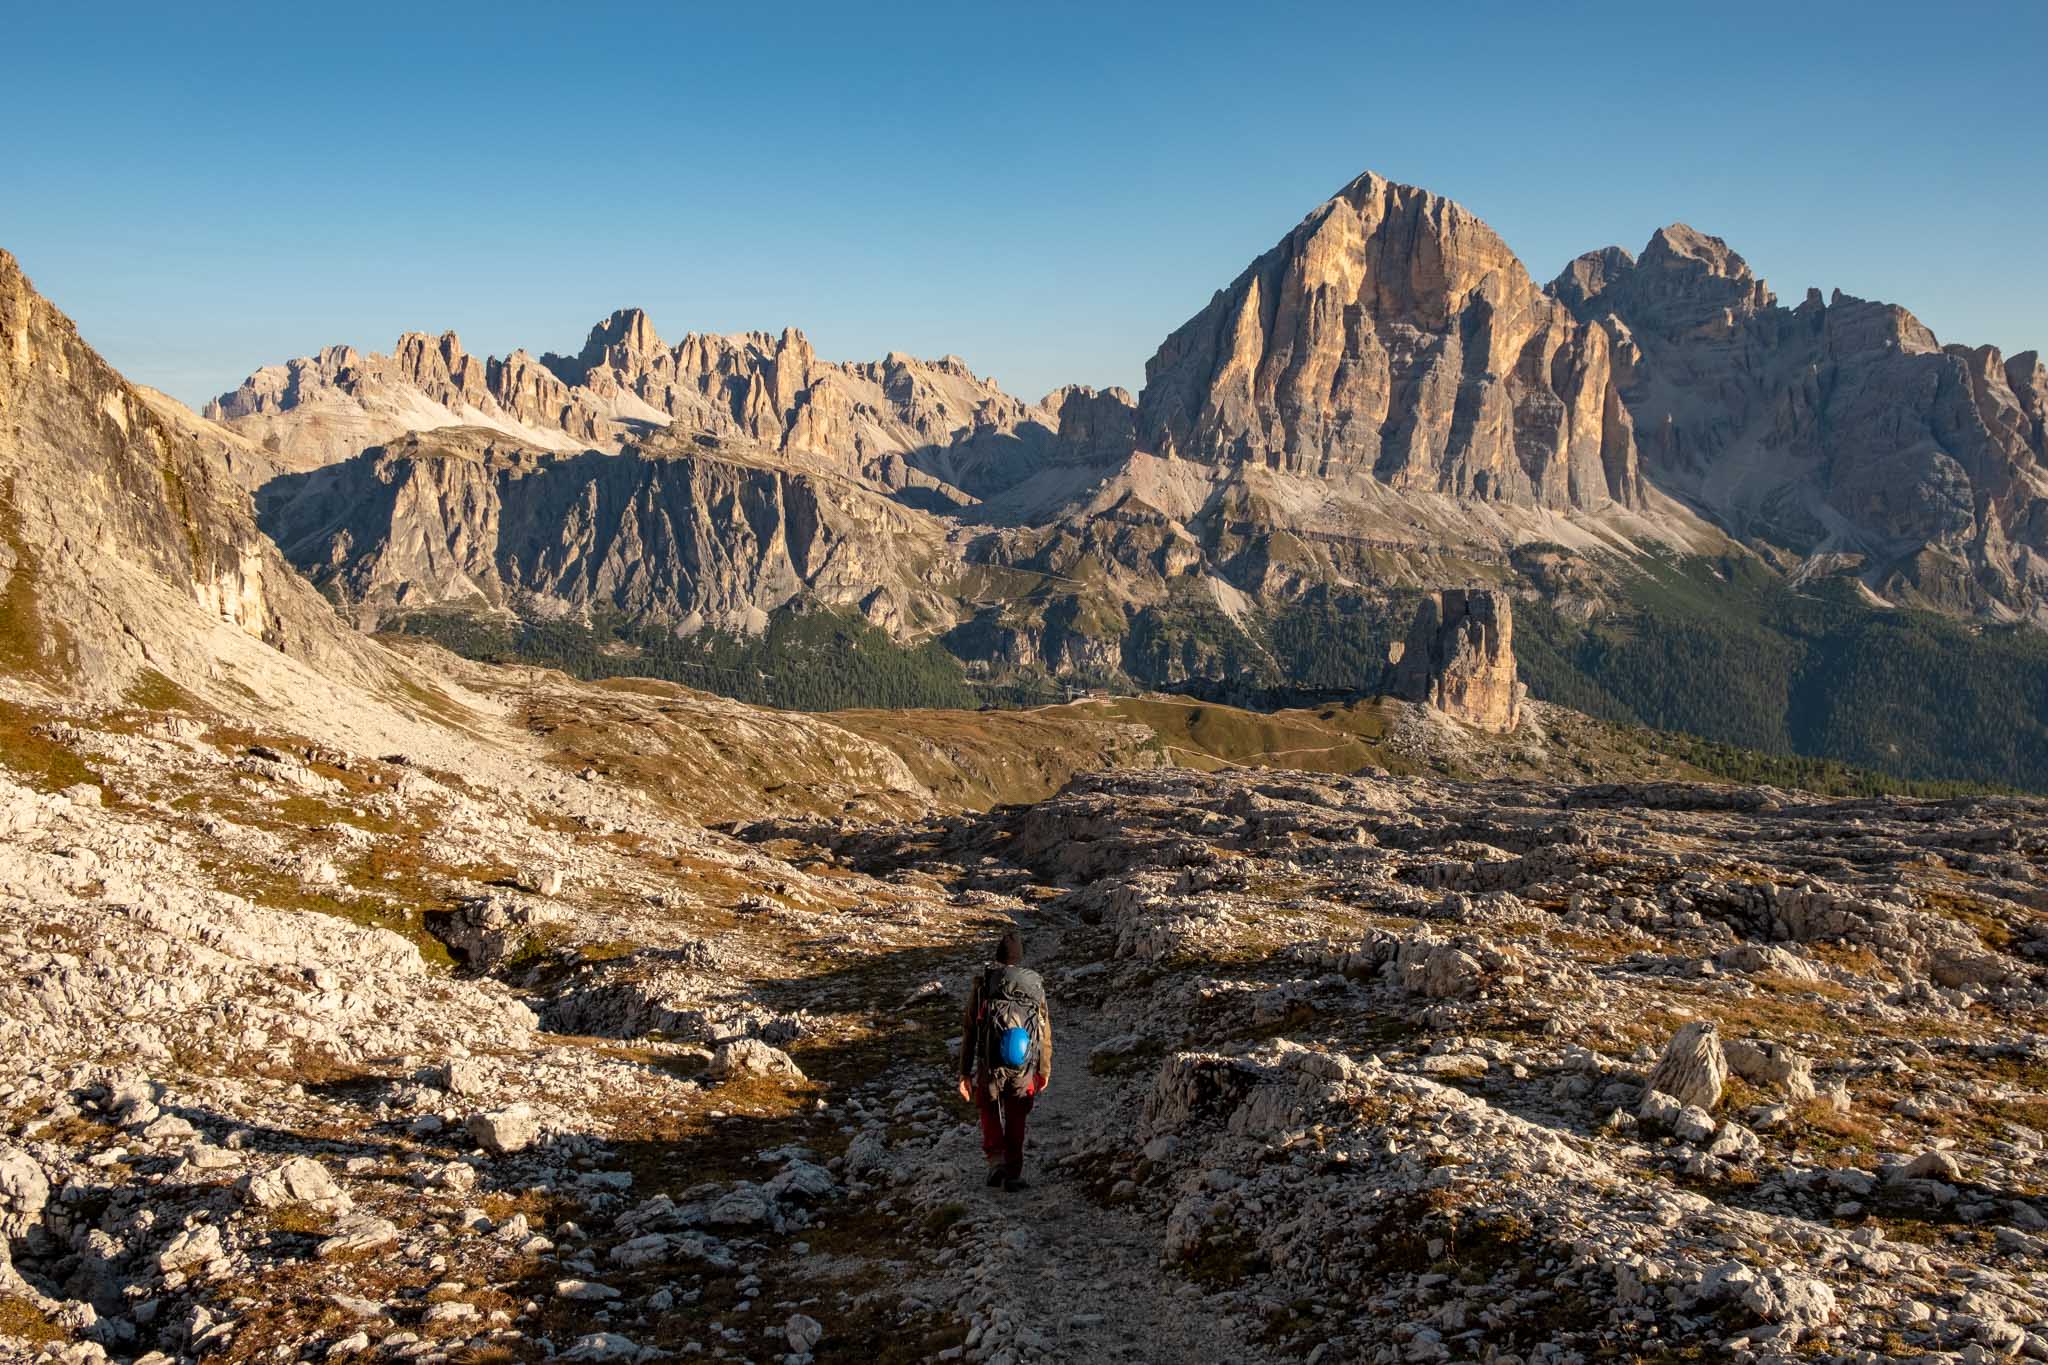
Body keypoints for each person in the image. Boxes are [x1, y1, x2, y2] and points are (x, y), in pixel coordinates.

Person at [957, 930, 1051, 1191]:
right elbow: (1043, 1033)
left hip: (989, 1062)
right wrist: (1043, 1069)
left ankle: (996, 1161)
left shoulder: (984, 984)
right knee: (1017, 1113)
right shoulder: (1034, 987)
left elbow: (970, 1031)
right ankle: (1013, 1172)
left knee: (988, 1108)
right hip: (1024, 1065)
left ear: (998, 956)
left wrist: (964, 1073)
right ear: (1019, 958)